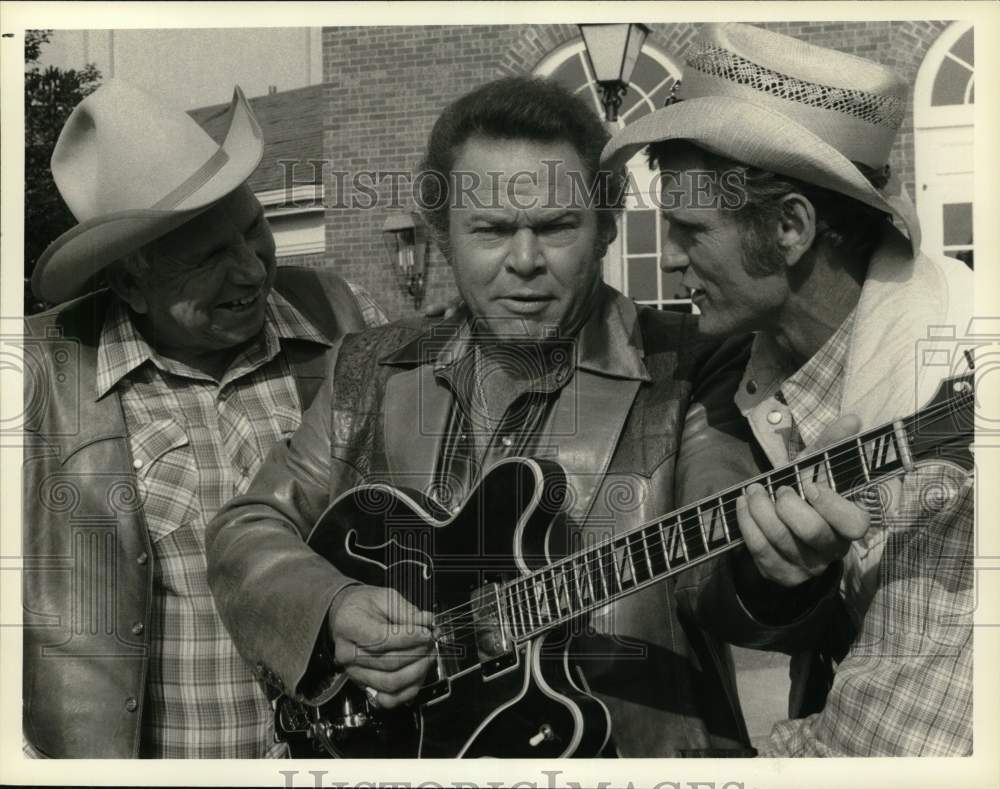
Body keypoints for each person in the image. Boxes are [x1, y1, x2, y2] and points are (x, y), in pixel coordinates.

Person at [206, 75, 799, 757]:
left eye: (555, 227)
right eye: (490, 230)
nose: (524, 261)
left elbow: (719, 574)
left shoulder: (693, 371)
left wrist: (775, 568)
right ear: (442, 235)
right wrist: (332, 606)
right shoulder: (369, 368)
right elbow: (247, 527)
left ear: (606, 226)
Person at [603, 23, 975, 756]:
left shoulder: (948, 411)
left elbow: (884, 751)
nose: (668, 258)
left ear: (790, 227)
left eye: (689, 230)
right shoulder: (770, 354)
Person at [22, 79, 388, 758]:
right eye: (211, 258)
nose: (252, 270)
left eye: (254, 230)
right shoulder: (41, 377)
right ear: (130, 282)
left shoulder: (342, 317)